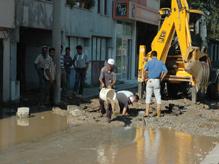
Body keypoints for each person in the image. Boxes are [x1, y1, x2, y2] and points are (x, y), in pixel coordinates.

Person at [144, 51, 168, 118]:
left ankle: (146, 113)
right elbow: (166, 71)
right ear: (156, 55)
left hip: (150, 80)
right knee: (158, 97)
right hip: (157, 80)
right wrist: (162, 78)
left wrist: (144, 78)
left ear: (151, 55)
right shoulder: (161, 62)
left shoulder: (149, 62)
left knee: (148, 96)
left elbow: (144, 70)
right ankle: (158, 114)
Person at [99, 58, 116, 123]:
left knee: (109, 102)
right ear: (107, 65)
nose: (110, 67)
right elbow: (100, 78)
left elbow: (114, 81)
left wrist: (111, 85)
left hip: (110, 87)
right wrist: (102, 83)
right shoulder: (103, 69)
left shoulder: (113, 72)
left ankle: (108, 117)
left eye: (111, 66)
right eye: (109, 66)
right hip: (103, 87)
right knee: (101, 100)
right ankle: (102, 110)